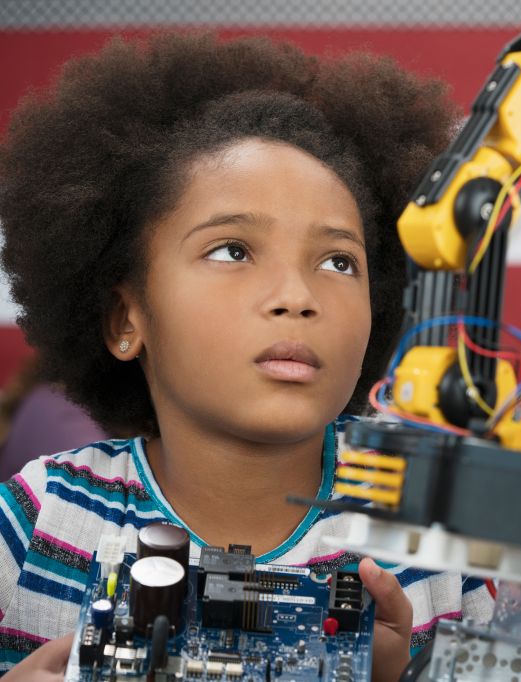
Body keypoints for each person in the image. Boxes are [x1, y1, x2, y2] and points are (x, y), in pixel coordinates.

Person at [0, 33, 492, 679]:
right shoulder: (35, 524)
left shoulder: (434, 519)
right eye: (232, 250)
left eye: (339, 262)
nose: (297, 297)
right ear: (127, 318)